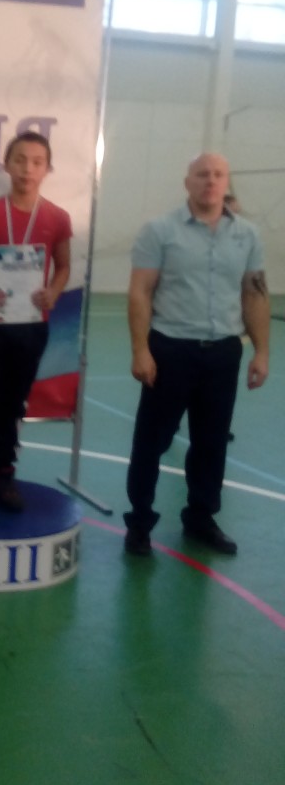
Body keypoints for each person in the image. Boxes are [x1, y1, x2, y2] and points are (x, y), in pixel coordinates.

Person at [124, 152, 270, 557]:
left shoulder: (247, 235)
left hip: (223, 353)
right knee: (151, 442)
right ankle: (139, 522)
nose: (210, 181)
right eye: (202, 174)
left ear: (227, 182)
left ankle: (200, 519)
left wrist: (262, 351)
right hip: (170, 351)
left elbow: (255, 293)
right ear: (187, 182)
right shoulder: (159, 230)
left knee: (211, 443)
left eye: (218, 174)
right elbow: (140, 292)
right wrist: (140, 350)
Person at [0, 130, 72, 511]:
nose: (27, 169)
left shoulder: (57, 218)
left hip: (32, 324)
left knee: (14, 404)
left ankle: (5, 474)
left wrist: (53, 292)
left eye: (37, 162)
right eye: (20, 160)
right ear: (7, 164)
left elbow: (64, 266)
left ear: (47, 169)